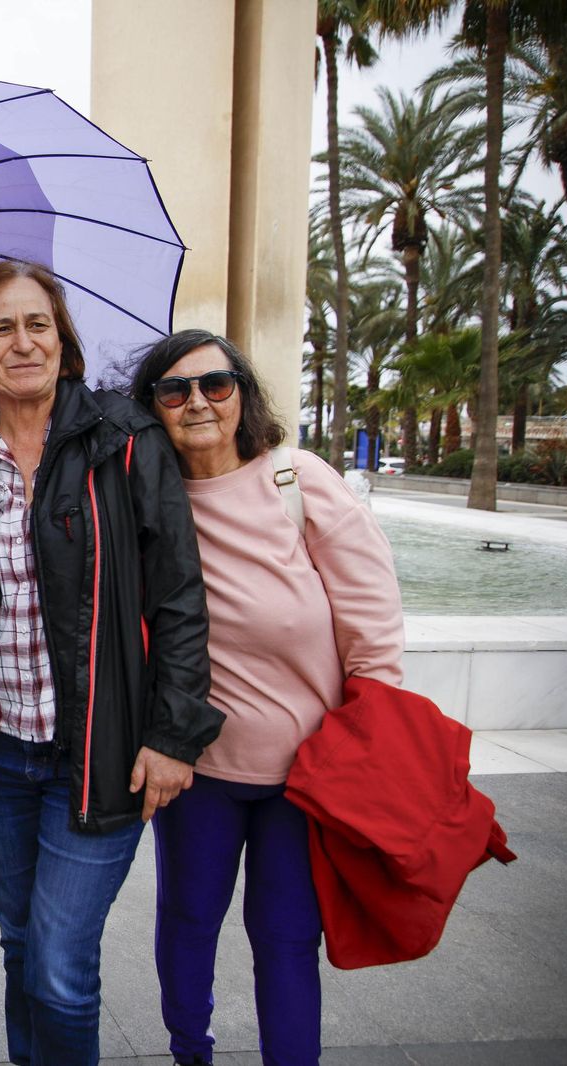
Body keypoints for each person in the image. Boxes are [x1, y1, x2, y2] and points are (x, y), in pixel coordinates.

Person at [0, 261, 222, 1066]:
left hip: (101, 751)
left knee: (60, 967)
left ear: (62, 340)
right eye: (1, 328)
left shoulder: (123, 441)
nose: (23, 342)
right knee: (19, 942)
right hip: (1, 749)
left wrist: (173, 736)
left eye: (38, 325)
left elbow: (178, 596)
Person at [129, 328, 405, 1066]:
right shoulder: (143, 500)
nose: (197, 402)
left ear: (242, 395)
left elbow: (373, 624)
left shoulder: (297, 480)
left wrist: (369, 742)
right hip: (197, 769)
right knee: (188, 923)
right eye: (174, 390)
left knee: (285, 939)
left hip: (306, 775)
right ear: (152, 407)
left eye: (215, 384)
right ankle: (190, 1050)